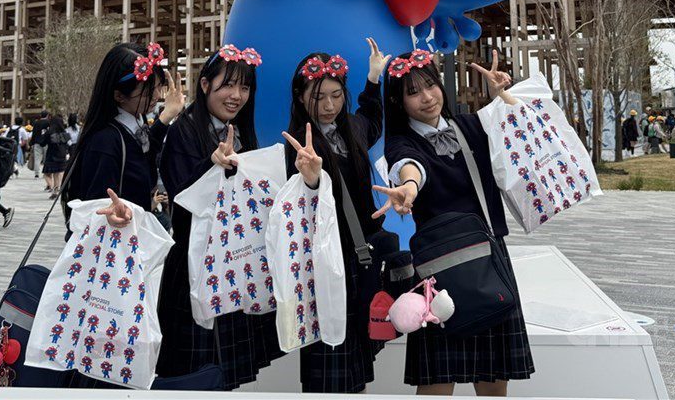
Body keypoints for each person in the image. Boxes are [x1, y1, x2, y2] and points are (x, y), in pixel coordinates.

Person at [379, 50, 534, 395]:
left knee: (494, 374)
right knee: (437, 378)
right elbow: (409, 165)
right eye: (413, 92)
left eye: (431, 86)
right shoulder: (401, 142)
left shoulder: (473, 125)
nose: (427, 97)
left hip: (488, 258)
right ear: (399, 101)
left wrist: (502, 96)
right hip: (439, 268)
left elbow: (520, 132)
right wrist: (408, 186)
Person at [155, 45, 281, 388]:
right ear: (206, 84)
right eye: (228, 85)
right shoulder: (183, 130)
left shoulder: (241, 132)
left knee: (227, 378)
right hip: (194, 267)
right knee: (188, 375)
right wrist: (210, 165)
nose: (236, 95)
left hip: (236, 267)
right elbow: (181, 195)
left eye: (244, 87)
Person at [63, 42, 181, 390]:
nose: (157, 94)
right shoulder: (106, 139)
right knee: (104, 343)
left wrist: (164, 118)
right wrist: (111, 215)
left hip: (125, 256)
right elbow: (96, 206)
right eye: (149, 89)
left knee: (113, 343)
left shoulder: (131, 128)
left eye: (156, 85)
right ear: (118, 95)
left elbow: (142, 156)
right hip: (108, 263)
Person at [282, 38, 392, 393]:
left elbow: (372, 118)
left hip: (360, 260)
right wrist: (311, 180)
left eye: (336, 95)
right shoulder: (297, 145)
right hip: (326, 264)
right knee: (329, 364)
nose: (328, 106)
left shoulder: (353, 129)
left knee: (355, 367)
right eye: (318, 97)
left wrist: (374, 79)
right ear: (301, 97)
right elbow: (294, 205)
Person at [42, 115, 72, 198]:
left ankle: (52, 187)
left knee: (46, 173)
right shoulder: (65, 133)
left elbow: (42, 142)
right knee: (58, 173)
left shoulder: (49, 132)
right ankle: (56, 188)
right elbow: (69, 144)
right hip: (62, 155)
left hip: (51, 155)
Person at [30, 110, 50, 181]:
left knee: (37, 159)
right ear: (47, 115)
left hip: (37, 142)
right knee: (46, 158)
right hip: (46, 143)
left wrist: (31, 143)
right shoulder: (48, 123)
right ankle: (46, 173)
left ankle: (36, 174)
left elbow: (34, 133)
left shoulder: (36, 123)